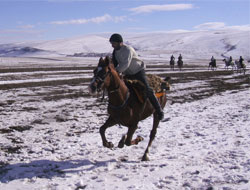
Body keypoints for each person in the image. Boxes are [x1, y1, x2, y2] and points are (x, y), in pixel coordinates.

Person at [109, 33, 164, 120]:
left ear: (120, 43)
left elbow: (125, 64)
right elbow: (114, 63)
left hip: (138, 71)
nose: (112, 45)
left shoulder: (128, 49)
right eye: (111, 43)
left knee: (147, 89)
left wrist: (116, 72)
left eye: (114, 43)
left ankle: (159, 110)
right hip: (127, 73)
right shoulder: (115, 52)